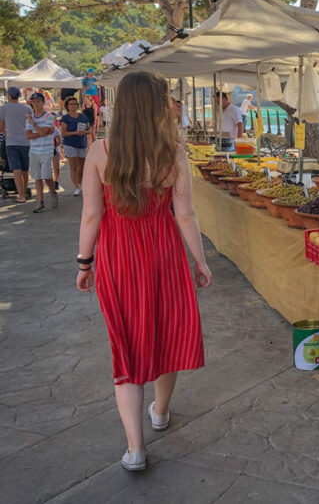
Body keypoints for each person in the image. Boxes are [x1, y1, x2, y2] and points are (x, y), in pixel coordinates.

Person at [76, 70, 211, 472]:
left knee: (128, 344)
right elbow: (185, 215)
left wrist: (85, 263)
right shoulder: (174, 153)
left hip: (119, 256)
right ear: (156, 107)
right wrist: (200, 262)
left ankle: (135, 450)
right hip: (164, 252)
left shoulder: (100, 152)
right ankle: (161, 411)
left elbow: (91, 216)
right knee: (166, 332)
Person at [25, 93, 58, 212]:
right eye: (34, 101)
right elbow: (28, 136)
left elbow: (42, 132)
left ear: (43, 103)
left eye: (38, 101)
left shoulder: (48, 117)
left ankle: (53, 191)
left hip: (46, 150)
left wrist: (34, 124)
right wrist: (45, 132)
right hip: (34, 151)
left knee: (46, 175)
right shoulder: (30, 117)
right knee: (37, 177)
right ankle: (40, 202)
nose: (36, 104)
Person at [0, 87, 34, 202]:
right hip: (26, 142)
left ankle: (21, 195)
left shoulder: (3, 108)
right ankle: (23, 192)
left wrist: (7, 134)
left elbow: (1, 127)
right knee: (25, 170)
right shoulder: (27, 108)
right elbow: (32, 124)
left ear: (9, 95)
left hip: (11, 142)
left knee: (16, 169)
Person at [60, 97, 90, 196]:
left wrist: (84, 132)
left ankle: (81, 183)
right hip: (70, 144)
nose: (73, 105)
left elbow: (89, 130)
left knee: (81, 167)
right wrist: (74, 133)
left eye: (75, 103)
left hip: (81, 143)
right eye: (71, 104)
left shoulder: (82, 117)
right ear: (67, 106)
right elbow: (63, 132)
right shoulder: (65, 118)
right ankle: (76, 187)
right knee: (74, 166)